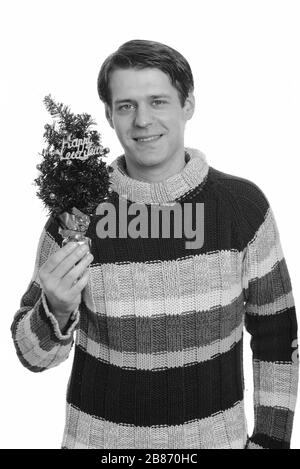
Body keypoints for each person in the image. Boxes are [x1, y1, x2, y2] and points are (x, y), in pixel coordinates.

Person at [11, 39, 299, 449]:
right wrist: (53, 309)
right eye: (126, 105)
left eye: (158, 101)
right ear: (109, 115)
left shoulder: (242, 207)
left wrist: (270, 444)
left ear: (188, 105)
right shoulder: (76, 217)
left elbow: (276, 335)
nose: (143, 120)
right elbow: (33, 357)